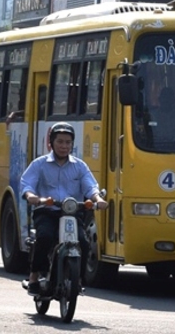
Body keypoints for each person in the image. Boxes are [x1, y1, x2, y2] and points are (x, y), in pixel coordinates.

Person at [20, 122, 108, 296]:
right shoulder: (40, 164)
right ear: (51, 143)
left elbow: (90, 187)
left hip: (72, 213)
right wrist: (32, 196)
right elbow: (27, 184)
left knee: (83, 243)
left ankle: (79, 280)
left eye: (68, 142)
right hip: (47, 212)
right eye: (60, 141)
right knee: (44, 237)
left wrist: (98, 199)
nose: (64, 146)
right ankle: (34, 276)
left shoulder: (80, 166)